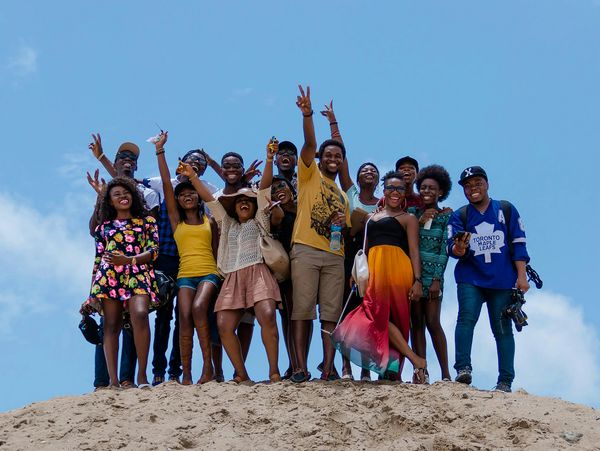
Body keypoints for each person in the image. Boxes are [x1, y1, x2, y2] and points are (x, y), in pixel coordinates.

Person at [181, 139, 282, 382]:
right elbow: (209, 200)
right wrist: (193, 177)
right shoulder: (226, 223)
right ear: (233, 207)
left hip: (258, 272)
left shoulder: (260, 219)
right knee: (224, 324)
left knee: (267, 315)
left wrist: (269, 159)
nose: (244, 202)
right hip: (232, 276)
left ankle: (274, 371)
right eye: (239, 201)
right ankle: (242, 374)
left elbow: (265, 187)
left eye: (247, 200)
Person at [331, 171, 427, 382]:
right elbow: (363, 249)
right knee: (375, 315)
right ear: (383, 191)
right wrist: (356, 274)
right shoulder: (370, 217)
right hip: (374, 269)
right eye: (390, 188)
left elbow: (414, 250)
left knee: (395, 318)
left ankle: (392, 370)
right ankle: (415, 360)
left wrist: (418, 280)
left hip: (398, 269)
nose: (395, 192)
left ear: (404, 193)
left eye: (400, 189)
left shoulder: (408, 218)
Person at [447, 166, 530, 393]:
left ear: (487, 184)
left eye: (477, 184)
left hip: (502, 279)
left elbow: (519, 244)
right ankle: (463, 368)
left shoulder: (505, 209)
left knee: (502, 329)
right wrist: (460, 247)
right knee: (466, 320)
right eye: (467, 186)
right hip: (470, 278)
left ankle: (505, 381)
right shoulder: (460, 215)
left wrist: (521, 276)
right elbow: (452, 249)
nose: (473, 189)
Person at [86, 134, 159, 388]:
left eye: (126, 193)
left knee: (139, 315)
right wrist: (91, 292)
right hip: (109, 278)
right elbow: (97, 257)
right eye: (116, 194)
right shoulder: (105, 224)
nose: (122, 196)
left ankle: (139, 376)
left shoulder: (147, 217)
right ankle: (111, 382)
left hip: (137, 271)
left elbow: (154, 249)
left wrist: (128, 260)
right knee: (111, 325)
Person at [143, 148, 221, 385]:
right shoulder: (176, 220)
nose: (188, 196)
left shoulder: (209, 216)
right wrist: (160, 151)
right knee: (172, 317)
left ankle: (203, 369)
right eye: (183, 195)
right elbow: (167, 183)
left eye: (192, 194)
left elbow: (219, 201)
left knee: (195, 312)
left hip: (207, 270)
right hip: (175, 267)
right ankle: (180, 374)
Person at [289, 85, 351, 383]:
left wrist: (342, 220)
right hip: (305, 249)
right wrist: (308, 115)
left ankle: (328, 367)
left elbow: (347, 225)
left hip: (334, 255)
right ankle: (300, 366)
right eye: (329, 154)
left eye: (338, 155)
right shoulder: (309, 174)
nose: (333, 158)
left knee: (330, 314)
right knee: (302, 311)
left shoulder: (344, 195)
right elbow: (310, 143)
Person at [322, 100, 379, 381]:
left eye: (373, 170)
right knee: (346, 311)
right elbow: (341, 158)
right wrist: (334, 123)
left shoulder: (384, 204)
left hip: (375, 262)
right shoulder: (351, 193)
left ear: (379, 179)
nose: (368, 172)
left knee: (367, 315)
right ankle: (345, 367)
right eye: (363, 170)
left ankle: (366, 368)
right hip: (349, 255)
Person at [408, 165, 453, 383]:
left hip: (434, 278)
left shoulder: (447, 217)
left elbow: (444, 249)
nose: (427, 191)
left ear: (441, 192)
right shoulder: (412, 214)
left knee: (433, 322)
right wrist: (420, 220)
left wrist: (436, 279)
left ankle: (445, 373)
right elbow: (407, 240)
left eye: (432, 188)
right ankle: (420, 372)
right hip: (414, 277)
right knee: (416, 324)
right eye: (423, 187)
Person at [269, 174, 298, 379]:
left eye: (282, 185)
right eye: (273, 189)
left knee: (304, 318)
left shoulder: (304, 208)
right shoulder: (274, 214)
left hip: (307, 266)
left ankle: (299, 361)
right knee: (288, 317)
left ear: (293, 189)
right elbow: (277, 216)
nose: (278, 189)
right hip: (285, 270)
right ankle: (294, 363)